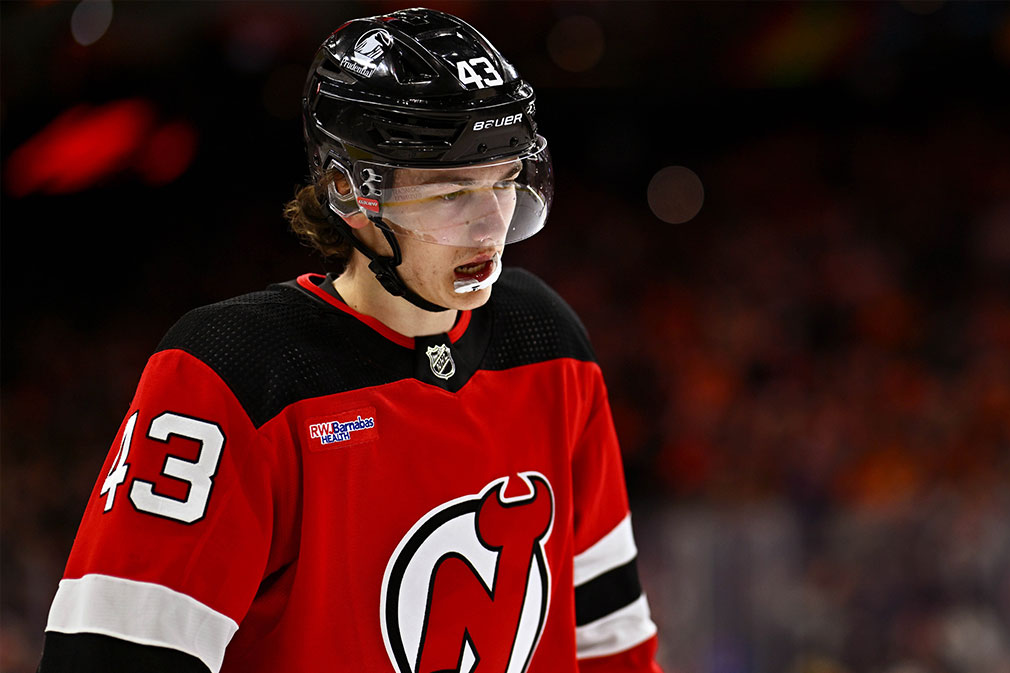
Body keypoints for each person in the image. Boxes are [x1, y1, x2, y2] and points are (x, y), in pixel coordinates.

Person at [38, 8, 663, 673]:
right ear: (348, 190)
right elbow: (111, 657)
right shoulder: (233, 370)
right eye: (451, 191)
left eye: (504, 181)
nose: (489, 224)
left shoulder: (546, 342)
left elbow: (609, 640)